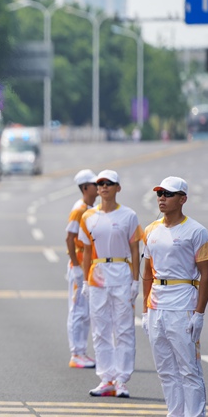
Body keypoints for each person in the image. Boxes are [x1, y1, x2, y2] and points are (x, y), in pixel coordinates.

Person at [142, 177, 208, 417]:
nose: (162, 198)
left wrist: (199, 313)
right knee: (166, 369)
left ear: (182, 199)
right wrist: (145, 310)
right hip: (157, 305)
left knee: (189, 369)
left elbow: (206, 274)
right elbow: (147, 274)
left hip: (183, 303)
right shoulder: (151, 230)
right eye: (160, 193)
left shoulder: (197, 231)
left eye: (168, 194)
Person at [79, 170, 142, 398]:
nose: (104, 187)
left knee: (124, 329)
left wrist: (136, 280)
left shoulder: (129, 215)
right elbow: (86, 251)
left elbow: (135, 249)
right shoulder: (88, 217)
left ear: (118, 188)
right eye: (100, 183)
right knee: (100, 329)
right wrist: (86, 280)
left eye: (109, 183)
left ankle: (122, 380)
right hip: (97, 275)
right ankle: (106, 378)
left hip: (122, 273)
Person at [65, 169, 99, 369]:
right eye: (95, 185)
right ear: (86, 188)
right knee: (78, 311)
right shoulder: (79, 209)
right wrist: (76, 266)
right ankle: (76, 353)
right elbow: (69, 238)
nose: (99, 187)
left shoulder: (90, 207)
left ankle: (81, 351)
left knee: (85, 312)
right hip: (79, 265)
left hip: (88, 267)